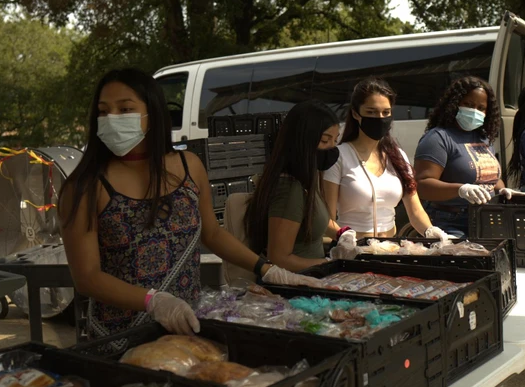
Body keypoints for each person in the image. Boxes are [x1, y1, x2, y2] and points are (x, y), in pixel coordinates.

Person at [59, 69, 319, 341]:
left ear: (153, 113)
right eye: (103, 112)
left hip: (187, 327)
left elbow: (213, 234)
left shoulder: (188, 167)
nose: (112, 119)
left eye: (125, 109)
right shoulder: (84, 187)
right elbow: (87, 276)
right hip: (120, 338)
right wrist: (153, 301)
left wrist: (268, 270)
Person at [323, 78, 447, 240]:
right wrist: (343, 238)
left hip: (389, 247)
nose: (379, 118)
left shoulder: (398, 156)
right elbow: (327, 219)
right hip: (352, 250)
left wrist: (431, 231)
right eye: (371, 112)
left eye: (385, 112)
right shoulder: (338, 156)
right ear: (355, 113)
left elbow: (415, 211)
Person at [245, 100, 352, 271]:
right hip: (299, 284)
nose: (332, 148)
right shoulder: (289, 188)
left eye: (335, 140)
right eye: (325, 141)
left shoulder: (306, 179)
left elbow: (314, 217)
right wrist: (329, 265)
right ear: (302, 142)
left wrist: (342, 233)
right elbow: (279, 258)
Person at [413, 76, 525, 238]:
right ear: (454, 104)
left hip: (485, 219)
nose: (475, 111)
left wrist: (502, 190)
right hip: (449, 221)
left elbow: (490, 177)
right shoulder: (438, 138)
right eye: (468, 105)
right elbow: (422, 186)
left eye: (481, 108)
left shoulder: (483, 138)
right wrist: (460, 189)